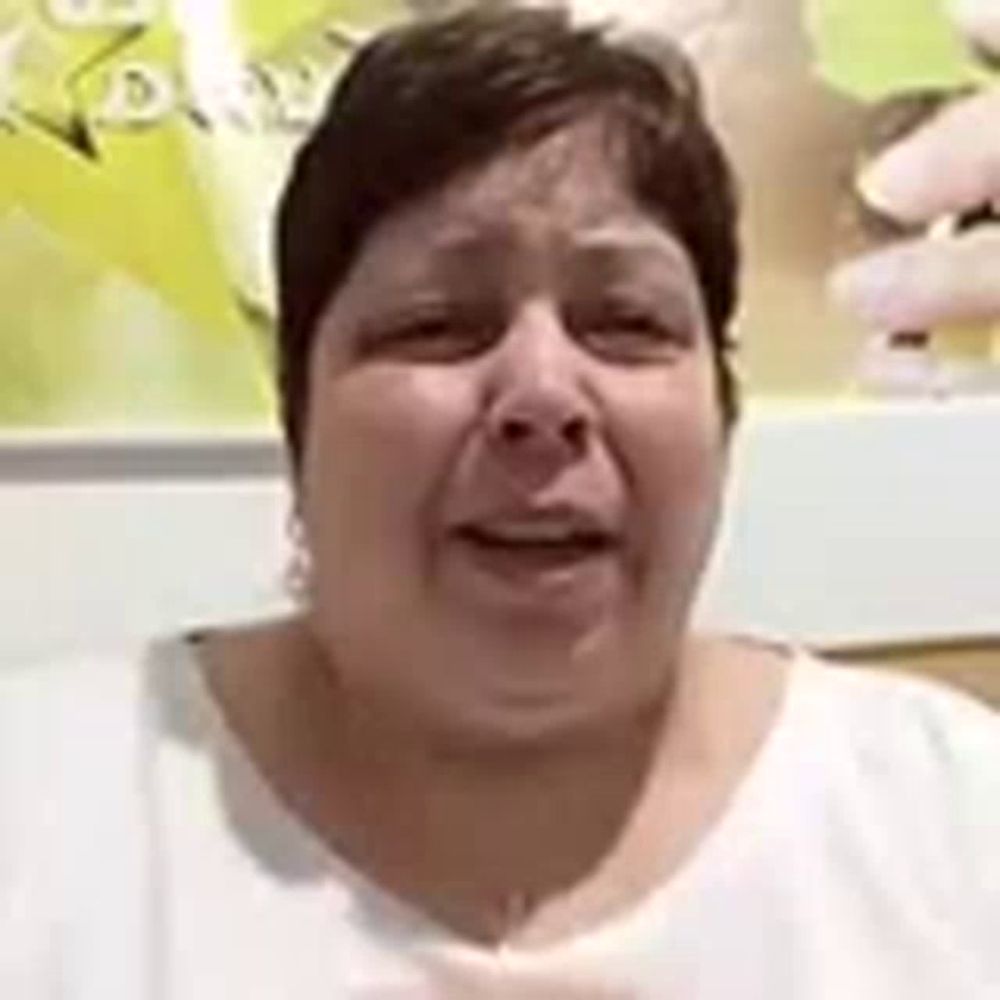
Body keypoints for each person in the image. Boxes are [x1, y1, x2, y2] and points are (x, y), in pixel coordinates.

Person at [1, 6, 998, 997]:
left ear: (723, 412)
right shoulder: (41, 808)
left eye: (626, 320)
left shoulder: (949, 815)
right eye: (437, 322)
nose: (543, 394)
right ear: (299, 414)